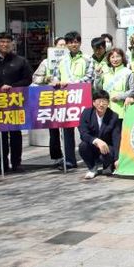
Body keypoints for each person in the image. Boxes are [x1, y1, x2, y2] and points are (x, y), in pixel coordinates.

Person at [0, 32, 33, 175]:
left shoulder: (20, 61)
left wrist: (13, 86)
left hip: (15, 102)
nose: (5, 44)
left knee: (16, 133)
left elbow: (28, 79)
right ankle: (2, 165)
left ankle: (17, 164)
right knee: (0, 134)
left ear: (12, 43)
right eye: (2, 42)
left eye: (7, 42)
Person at [51, 31, 93, 170]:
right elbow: (55, 76)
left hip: (82, 99)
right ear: (67, 45)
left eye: (76, 42)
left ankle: (91, 158)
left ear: (80, 43)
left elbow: (90, 77)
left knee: (85, 130)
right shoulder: (61, 60)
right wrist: (56, 81)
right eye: (70, 42)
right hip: (65, 100)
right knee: (66, 131)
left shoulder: (87, 59)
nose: (73, 44)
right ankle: (70, 160)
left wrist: (71, 84)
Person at [78, 90, 122, 180]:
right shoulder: (86, 113)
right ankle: (92, 168)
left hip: (107, 149)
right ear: (94, 102)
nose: (101, 104)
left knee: (108, 169)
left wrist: (117, 159)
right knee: (83, 146)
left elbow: (116, 139)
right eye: (99, 101)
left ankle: (108, 164)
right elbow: (83, 133)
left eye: (104, 101)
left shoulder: (114, 116)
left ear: (108, 103)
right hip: (92, 146)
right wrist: (96, 140)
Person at [94, 48, 131, 118]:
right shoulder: (106, 73)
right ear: (109, 59)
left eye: (118, 56)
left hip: (121, 111)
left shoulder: (128, 72)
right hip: (106, 110)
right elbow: (98, 89)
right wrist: (98, 76)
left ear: (122, 58)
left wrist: (120, 97)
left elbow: (133, 90)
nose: (115, 59)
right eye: (112, 57)